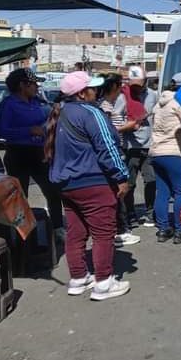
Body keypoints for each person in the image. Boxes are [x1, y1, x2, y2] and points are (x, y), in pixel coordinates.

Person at [45, 71, 131, 301]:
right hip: (94, 181)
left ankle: (78, 278)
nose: (97, 91)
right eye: (93, 88)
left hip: (66, 183)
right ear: (82, 93)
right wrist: (121, 176)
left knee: (76, 233)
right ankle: (104, 282)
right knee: (104, 234)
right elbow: (107, 148)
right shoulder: (91, 112)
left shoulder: (59, 112)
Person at [0, 68, 64, 236]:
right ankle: (22, 233)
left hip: (39, 152)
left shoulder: (37, 102)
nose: (37, 87)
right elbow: (1, 131)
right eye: (33, 84)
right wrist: (28, 131)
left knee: (52, 190)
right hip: (18, 153)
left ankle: (57, 227)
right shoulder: (8, 104)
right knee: (21, 195)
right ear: (22, 85)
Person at [149, 73, 181, 244]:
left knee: (162, 192)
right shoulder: (180, 103)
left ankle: (163, 229)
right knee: (180, 191)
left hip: (156, 152)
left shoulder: (159, 104)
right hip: (174, 153)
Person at [99, 73, 141, 247]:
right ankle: (119, 231)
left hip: (119, 149)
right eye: (120, 85)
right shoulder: (105, 106)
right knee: (118, 191)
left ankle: (119, 229)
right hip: (114, 151)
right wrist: (129, 126)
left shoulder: (109, 104)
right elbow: (107, 131)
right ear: (115, 87)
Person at [115, 66, 157, 227]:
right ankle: (130, 213)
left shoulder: (153, 95)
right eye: (134, 85)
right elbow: (116, 119)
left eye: (140, 84)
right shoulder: (122, 97)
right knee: (130, 184)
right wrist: (130, 124)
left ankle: (150, 211)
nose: (137, 89)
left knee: (151, 180)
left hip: (149, 145)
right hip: (130, 146)